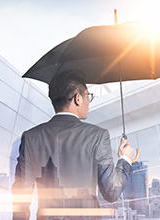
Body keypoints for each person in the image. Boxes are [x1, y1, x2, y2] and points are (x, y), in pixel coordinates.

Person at [12, 69, 134, 220]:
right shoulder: (97, 136)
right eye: (88, 96)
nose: (89, 102)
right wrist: (125, 159)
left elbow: (20, 196)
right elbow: (111, 192)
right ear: (78, 98)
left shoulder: (30, 138)